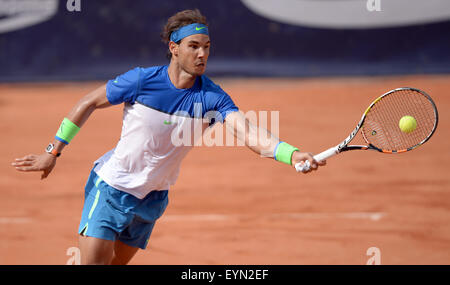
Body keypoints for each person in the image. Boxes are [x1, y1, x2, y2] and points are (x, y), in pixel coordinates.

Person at [11, 9, 325, 265]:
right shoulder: (141, 80)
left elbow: (249, 133)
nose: (202, 54)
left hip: (153, 197)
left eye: (207, 47)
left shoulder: (213, 98)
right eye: (194, 46)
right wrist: (52, 152)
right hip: (111, 187)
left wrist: (291, 153)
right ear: (174, 48)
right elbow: (88, 102)